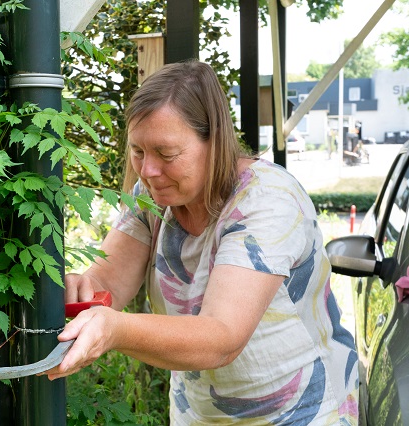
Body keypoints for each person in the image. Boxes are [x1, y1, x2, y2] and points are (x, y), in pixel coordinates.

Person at [44, 60, 359, 424]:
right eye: (138, 151)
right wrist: (83, 288)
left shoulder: (266, 200)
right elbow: (108, 281)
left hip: (301, 413)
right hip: (201, 415)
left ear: (215, 142)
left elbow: (221, 337)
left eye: (166, 154)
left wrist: (115, 329)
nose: (147, 170)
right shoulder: (152, 198)